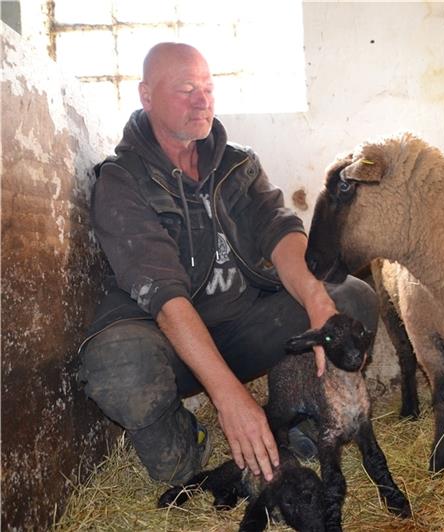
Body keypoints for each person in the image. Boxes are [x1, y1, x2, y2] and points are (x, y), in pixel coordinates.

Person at [78, 42, 377, 485]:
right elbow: (165, 298)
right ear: (146, 95)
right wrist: (228, 398)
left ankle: (295, 413)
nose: (202, 101)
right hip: (170, 339)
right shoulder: (122, 180)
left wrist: (316, 302)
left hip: (242, 324)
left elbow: (279, 231)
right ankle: (186, 442)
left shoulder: (237, 162)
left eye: (208, 88)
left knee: (349, 300)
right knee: (119, 365)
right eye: (186, 89)